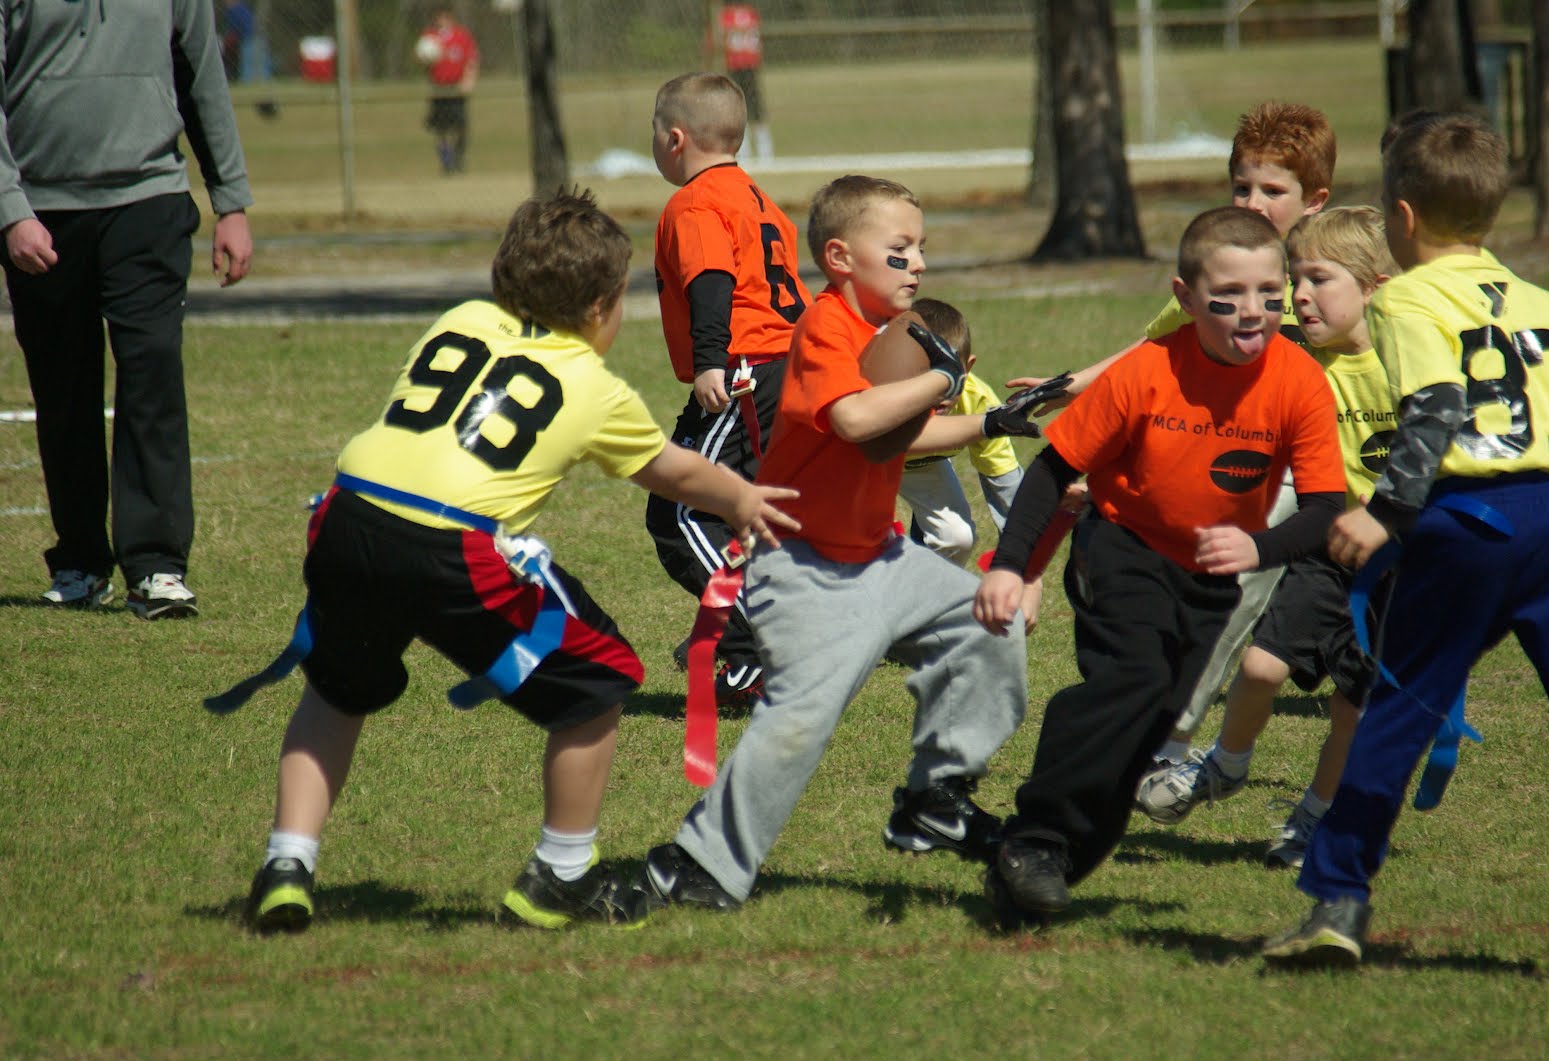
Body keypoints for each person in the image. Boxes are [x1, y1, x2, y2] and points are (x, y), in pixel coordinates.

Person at [238, 189, 801, 934]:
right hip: (451, 541)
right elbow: (676, 472)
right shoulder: (594, 387)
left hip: (346, 518)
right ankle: (562, 874)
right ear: (603, 307)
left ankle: (287, 862)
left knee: (338, 691)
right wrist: (744, 500)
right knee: (601, 680)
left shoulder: (459, 320)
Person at [635, 175, 1035, 913]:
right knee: (798, 721)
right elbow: (854, 421)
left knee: (994, 618)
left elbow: (899, 434)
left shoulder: (895, 338)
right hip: (804, 566)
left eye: (922, 248)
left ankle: (936, 795)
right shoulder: (824, 327)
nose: (917, 262)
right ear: (841, 258)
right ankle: (698, 864)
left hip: (879, 557)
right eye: (900, 249)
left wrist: (993, 422)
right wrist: (944, 375)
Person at [1263, 112, 1549, 967]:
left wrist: (1386, 511)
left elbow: (1438, 407)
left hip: (1469, 521)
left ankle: (1337, 902)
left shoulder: (1407, 297)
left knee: (1399, 708)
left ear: (1402, 218)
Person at [974, 206, 1348, 920]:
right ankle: (1035, 840)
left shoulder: (1299, 379)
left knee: (1152, 729)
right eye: (1229, 295)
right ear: (1183, 297)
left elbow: (1327, 509)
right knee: (1135, 680)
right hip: (1122, 543)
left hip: (1212, 572)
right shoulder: (1148, 370)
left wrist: (1261, 548)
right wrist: (1010, 566)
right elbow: (1052, 471)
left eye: (1272, 293)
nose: (1254, 311)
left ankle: (1041, 865)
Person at [1027, 103, 1336, 767]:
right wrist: (1066, 386)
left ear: (1314, 202)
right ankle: (1171, 737)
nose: (1253, 204)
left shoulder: (1331, 269)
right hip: (1241, 461)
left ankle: (1180, 735)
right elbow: (1148, 353)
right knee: (1227, 578)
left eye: (1272, 192)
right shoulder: (1216, 272)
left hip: (1314, 460)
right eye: (1242, 187)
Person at [1134, 207, 1399, 870]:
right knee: (1259, 667)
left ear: (1372, 286)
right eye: (1294, 284)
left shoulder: (1412, 364)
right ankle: (1225, 765)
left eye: (1318, 280)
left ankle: (1314, 816)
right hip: (1327, 552)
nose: (1300, 298)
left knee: (1350, 708)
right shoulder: (1296, 365)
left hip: (1400, 567)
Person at [1, 0, 254, 618]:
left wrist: (232, 201)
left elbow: (202, 74)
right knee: (64, 387)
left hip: (149, 198)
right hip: (41, 210)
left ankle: (158, 565)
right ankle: (82, 561)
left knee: (153, 369)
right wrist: (10, 210)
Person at [644, 72, 812, 705]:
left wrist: (712, 360)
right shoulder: (758, 198)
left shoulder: (694, 202)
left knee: (679, 508)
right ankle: (757, 650)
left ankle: (759, 643)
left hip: (744, 368)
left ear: (676, 138)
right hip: (786, 365)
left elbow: (712, 280)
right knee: (751, 511)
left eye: (656, 133)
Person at [899, 297, 1026, 568]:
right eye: (926, 375)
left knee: (956, 539)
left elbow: (1006, 487)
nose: (940, 391)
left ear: (967, 368)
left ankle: (926, 603)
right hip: (863, 465)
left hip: (919, 464)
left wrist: (1019, 566)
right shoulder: (879, 391)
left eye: (951, 374)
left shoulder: (979, 403)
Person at [416, 6, 479, 174]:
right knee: (441, 129)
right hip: (438, 89)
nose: (441, 20)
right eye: (438, 17)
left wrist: (469, 80)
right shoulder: (429, 37)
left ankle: (459, 157)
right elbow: (420, 59)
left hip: (456, 89)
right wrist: (425, 59)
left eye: (444, 16)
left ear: (450, 17)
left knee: (461, 127)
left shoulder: (461, 36)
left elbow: (472, 59)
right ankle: (446, 162)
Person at [717, 4, 772, 164]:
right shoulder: (747, 13)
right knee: (743, 108)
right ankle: (753, 151)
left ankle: (759, 151)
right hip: (741, 66)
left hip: (744, 66)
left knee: (750, 108)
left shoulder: (729, 15)